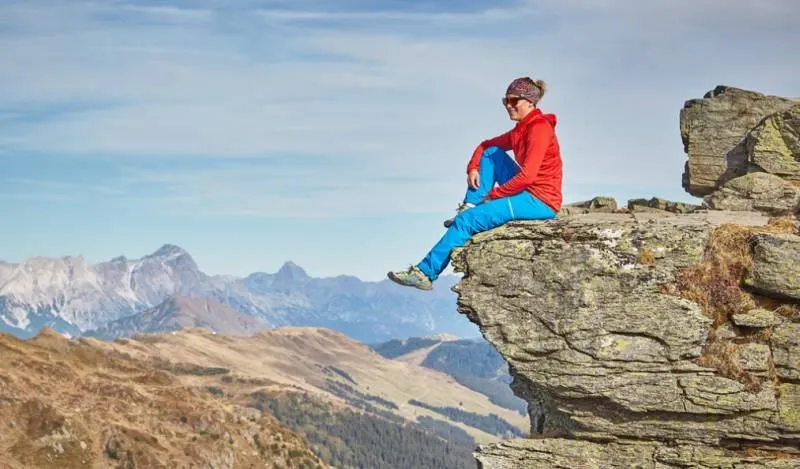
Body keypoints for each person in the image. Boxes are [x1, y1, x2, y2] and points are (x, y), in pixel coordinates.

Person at [387, 77, 563, 290]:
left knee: (467, 222)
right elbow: (485, 146)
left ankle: (425, 273)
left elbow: (528, 176)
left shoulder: (539, 128)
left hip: (540, 200)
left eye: (513, 100)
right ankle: (469, 206)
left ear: (529, 102)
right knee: (491, 154)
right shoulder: (521, 129)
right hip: (529, 191)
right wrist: (472, 167)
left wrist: (493, 196)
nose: (508, 105)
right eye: (505, 101)